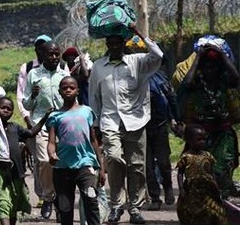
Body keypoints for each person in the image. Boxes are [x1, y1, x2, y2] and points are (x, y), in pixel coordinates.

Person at [89, 24, 163, 225]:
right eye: (110, 43)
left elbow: (158, 55)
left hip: (136, 120)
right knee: (113, 159)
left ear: (124, 43)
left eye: (117, 43)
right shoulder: (98, 67)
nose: (114, 46)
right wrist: (94, 123)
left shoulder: (138, 62)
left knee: (137, 165)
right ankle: (116, 205)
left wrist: (139, 32)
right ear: (107, 45)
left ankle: (135, 208)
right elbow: (94, 96)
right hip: (109, 121)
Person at [0, 96, 51, 225]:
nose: (6, 110)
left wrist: (45, 117)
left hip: (17, 173)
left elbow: (31, 133)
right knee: (2, 203)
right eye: (2, 108)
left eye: (9, 109)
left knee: (13, 206)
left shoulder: (15, 127)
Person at [179, 42, 240, 198]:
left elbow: (236, 77)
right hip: (201, 134)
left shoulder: (224, 82)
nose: (209, 71)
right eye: (206, 68)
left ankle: (221, 203)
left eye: (213, 68)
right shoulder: (197, 83)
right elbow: (186, 84)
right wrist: (198, 57)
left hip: (223, 133)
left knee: (223, 168)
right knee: (200, 170)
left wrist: (222, 55)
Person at [47, 77, 105, 225]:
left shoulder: (87, 112)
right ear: (59, 92)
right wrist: (51, 154)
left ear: (77, 90)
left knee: (91, 200)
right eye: (64, 88)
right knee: (65, 209)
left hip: (85, 164)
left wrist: (101, 167)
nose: (68, 90)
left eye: (71, 87)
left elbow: (93, 140)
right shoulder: (55, 116)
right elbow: (52, 142)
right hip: (62, 167)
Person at [22, 41, 69, 220]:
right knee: (44, 160)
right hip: (41, 125)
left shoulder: (64, 75)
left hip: (62, 125)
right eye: (51, 54)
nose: (54, 57)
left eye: (57, 54)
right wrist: (33, 95)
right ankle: (48, 197)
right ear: (43, 54)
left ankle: (62, 199)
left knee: (62, 163)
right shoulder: (34, 74)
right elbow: (26, 103)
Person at [16, 34, 51, 208]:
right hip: (35, 121)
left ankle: (55, 193)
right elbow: (21, 96)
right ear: (36, 50)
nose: (43, 52)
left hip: (57, 121)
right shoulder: (28, 68)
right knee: (40, 160)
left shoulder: (60, 67)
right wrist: (28, 120)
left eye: (46, 48)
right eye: (39, 48)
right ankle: (43, 195)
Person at [176, 123, 227, 225]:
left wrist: (216, 188)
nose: (202, 142)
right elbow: (180, 173)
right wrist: (181, 189)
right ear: (189, 140)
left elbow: (211, 172)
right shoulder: (186, 157)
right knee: (192, 210)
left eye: (204, 139)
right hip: (192, 190)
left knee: (211, 209)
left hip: (208, 188)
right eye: (199, 139)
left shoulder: (208, 156)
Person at [145, 63, 179, 210]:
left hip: (159, 126)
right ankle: (155, 197)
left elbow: (171, 99)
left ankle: (168, 187)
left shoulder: (160, 79)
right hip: (140, 128)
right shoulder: (132, 79)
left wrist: (175, 119)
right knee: (147, 166)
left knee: (164, 161)